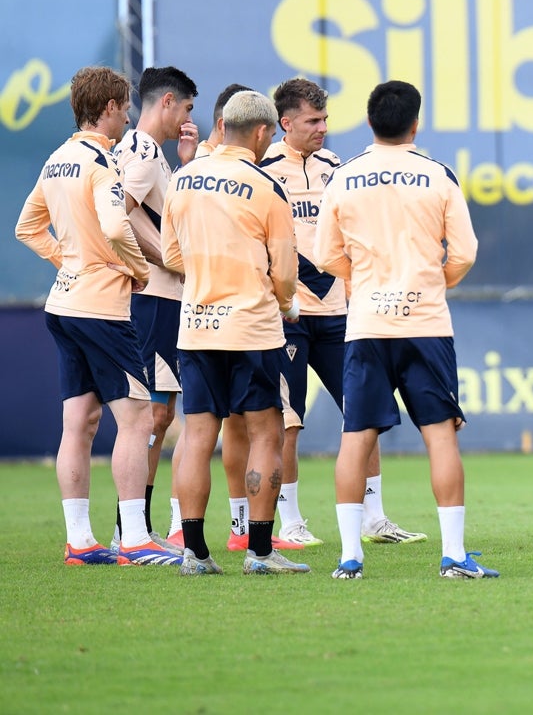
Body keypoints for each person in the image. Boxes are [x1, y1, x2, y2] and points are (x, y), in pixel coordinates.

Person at [315, 80, 493, 580]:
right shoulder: (438, 176)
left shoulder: (344, 177)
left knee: (355, 438)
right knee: (440, 438)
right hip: (426, 322)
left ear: (370, 123)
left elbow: (326, 254)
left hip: (367, 321)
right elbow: (465, 252)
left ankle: (350, 557)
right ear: (416, 123)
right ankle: (454, 556)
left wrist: (364, 283)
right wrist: (436, 282)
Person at [14, 65, 180, 566]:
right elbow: (115, 223)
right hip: (101, 309)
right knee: (135, 419)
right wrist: (136, 269)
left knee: (79, 423)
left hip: (62, 304)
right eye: (124, 107)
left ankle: (81, 541)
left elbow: (27, 226)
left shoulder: (58, 159)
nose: (127, 115)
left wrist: (67, 261)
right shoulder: (101, 163)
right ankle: (134, 537)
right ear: (108, 109)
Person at [261, 77, 425, 547]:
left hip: (339, 316)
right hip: (286, 315)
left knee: (363, 413)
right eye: (313, 121)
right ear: (285, 123)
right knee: (287, 421)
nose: (322, 129)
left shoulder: (338, 167)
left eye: (326, 120)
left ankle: (374, 518)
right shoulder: (265, 169)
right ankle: (289, 521)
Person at [162, 89, 309, 576]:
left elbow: (171, 257)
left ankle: (194, 553)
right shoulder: (266, 187)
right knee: (265, 431)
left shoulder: (182, 180)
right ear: (265, 132)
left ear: (222, 125)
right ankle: (261, 552)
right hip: (252, 327)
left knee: (199, 433)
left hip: (197, 326)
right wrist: (285, 303)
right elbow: (285, 271)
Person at [112, 66, 199, 553]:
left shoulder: (154, 155)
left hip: (162, 299)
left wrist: (185, 164)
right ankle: (131, 531)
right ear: (167, 101)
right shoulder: (142, 150)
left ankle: (136, 529)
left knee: (160, 416)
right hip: (151, 300)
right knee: (148, 416)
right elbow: (118, 213)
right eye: (185, 108)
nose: (187, 118)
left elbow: (156, 212)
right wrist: (165, 258)